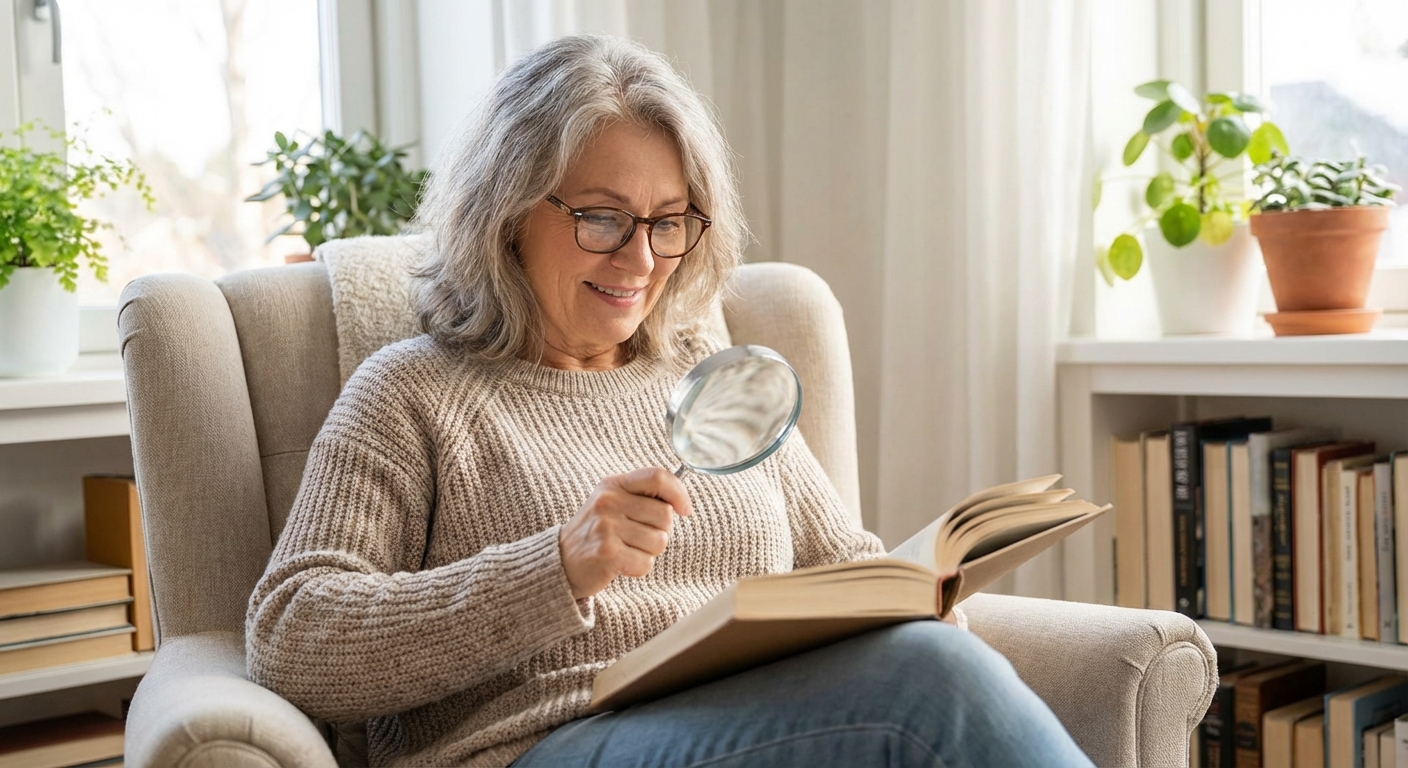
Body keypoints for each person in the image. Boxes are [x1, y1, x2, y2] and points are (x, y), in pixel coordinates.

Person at [245, 34, 1093, 768]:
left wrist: (928, 596)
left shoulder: (703, 374)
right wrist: (558, 565)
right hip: (544, 744)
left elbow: (846, 565)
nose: (641, 260)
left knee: (936, 663)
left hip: (747, 722)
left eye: (669, 221)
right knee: (933, 689)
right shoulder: (412, 392)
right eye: (603, 218)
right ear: (506, 215)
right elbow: (290, 638)